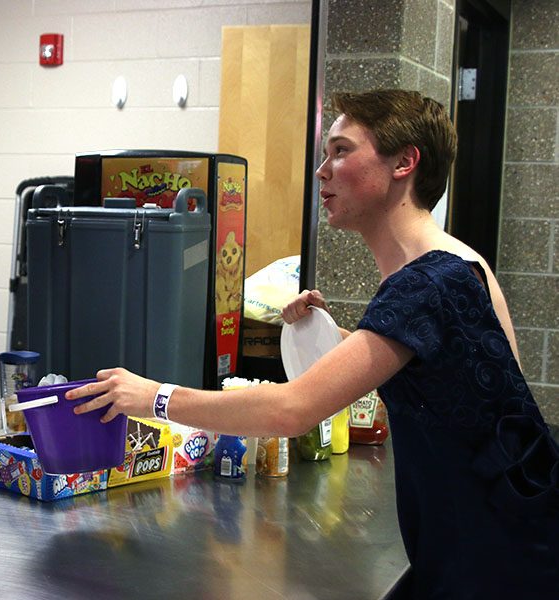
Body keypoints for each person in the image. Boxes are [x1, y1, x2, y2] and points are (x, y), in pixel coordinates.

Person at [67, 89, 558, 598]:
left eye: (341, 151)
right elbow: (454, 376)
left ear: (405, 162)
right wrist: (339, 339)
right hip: (509, 541)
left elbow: (290, 411)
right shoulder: (462, 264)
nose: (322, 170)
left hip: (498, 563)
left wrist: (154, 396)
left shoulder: (425, 284)